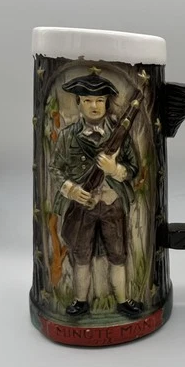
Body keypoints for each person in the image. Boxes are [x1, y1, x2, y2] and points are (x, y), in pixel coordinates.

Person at [50, 70, 143, 318]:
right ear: (79, 103)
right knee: (81, 256)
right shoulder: (68, 136)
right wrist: (71, 189)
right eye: (88, 100)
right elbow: (55, 168)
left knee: (118, 254)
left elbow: (134, 168)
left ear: (106, 103)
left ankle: (123, 300)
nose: (94, 106)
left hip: (112, 204)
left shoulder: (119, 135)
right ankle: (81, 301)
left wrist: (115, 170)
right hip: (83, 207)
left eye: (100, 100)